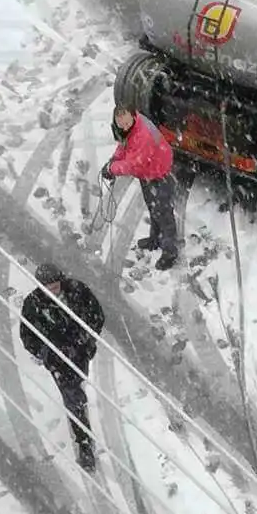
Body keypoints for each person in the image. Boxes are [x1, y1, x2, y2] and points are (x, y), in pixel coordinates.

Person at [20, 262, 105, 472]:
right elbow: (27, 335)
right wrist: (45, 353)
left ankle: (78, 406)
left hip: (80, 352)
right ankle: (83, 441)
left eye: (55, 286)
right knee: (73, 398)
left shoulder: (77, 290)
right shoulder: (33, 304)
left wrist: (86, 340)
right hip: (58, 360)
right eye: (47, 287)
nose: (52, 291)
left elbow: (97, 315)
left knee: (78, 384)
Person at [102, 105, 179, 270]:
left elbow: (132, 165)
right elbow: (124, 144)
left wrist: (111, 169)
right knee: (152, 207)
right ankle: (155, 239)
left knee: (163, 212)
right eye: (120, 124)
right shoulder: (129, 124)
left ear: (132, 116)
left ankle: (170, 252)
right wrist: (114, 159)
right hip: (148, 173)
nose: (123, 127)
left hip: (162, 173)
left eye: (125, 124)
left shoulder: (143, 136)